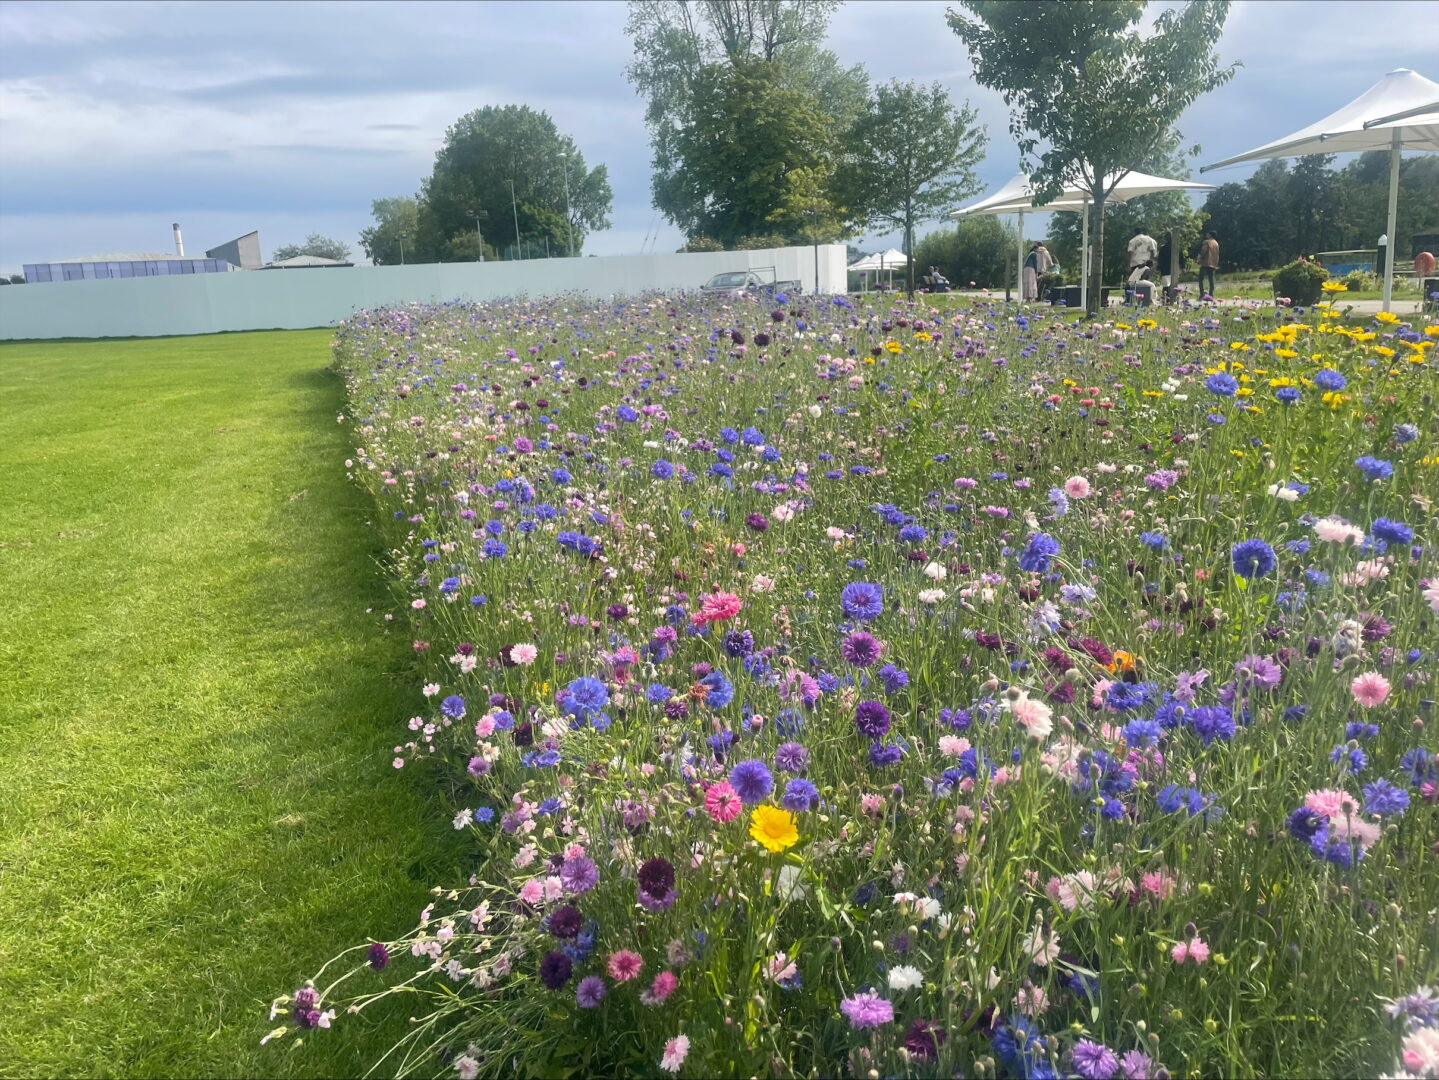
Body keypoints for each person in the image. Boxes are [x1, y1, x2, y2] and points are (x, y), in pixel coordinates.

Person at [1197, 231, 1219, 298]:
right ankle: (1211, 294)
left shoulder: (1206, 242)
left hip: (1205, 263)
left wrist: (1199, 259)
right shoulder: (1216, 243)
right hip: (1213, 263)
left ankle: (1202, 294)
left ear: (1210, 235)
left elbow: (1203, 251)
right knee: (1211, 279)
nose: (1206, 234)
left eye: (1207, 233)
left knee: (1200, 278)